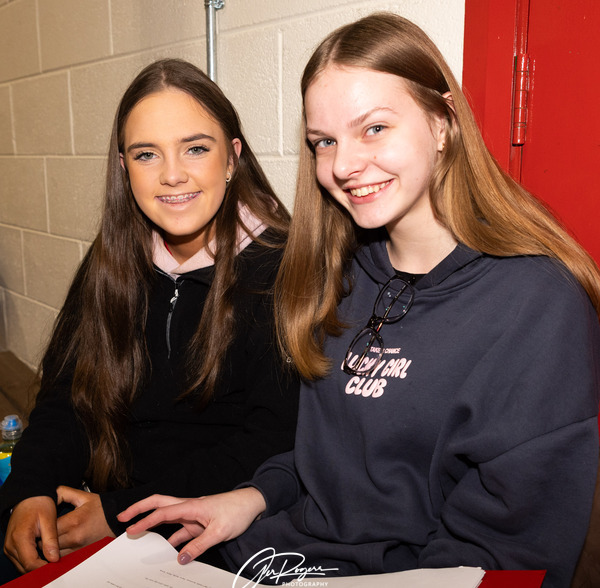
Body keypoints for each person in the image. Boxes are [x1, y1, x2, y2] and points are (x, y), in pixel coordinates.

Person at [119, 14, 600, 588]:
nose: (343, 166)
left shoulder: (537, 303)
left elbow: (502, 553)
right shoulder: (339, 274)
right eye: (324, 142)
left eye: (373, 128)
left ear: (443, 121)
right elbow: (328, 461)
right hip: (276, 553)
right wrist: (252, 496)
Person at [0, 58, 299, 579]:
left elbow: (271, 443)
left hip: (211, 537)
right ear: (124, 167)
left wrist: (121, 515)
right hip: (101, 509)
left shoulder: (283, 269)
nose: (172, 174)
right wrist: (29, 490)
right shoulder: (111, 261)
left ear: (233, 157)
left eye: (195, 148)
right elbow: (66, 399)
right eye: (146, 154)